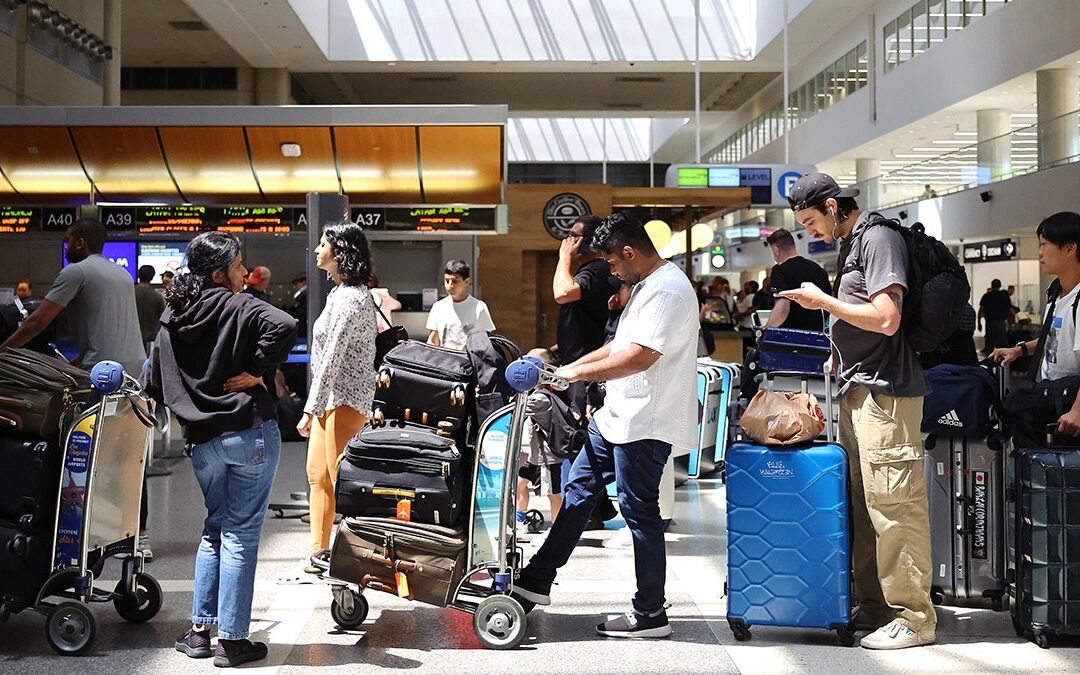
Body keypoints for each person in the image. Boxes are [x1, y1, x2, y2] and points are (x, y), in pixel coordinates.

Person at [512, 212, 698, 639]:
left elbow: (641, 357)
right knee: (577, 493)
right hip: (617, 414)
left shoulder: (668, 290)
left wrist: (578, 377)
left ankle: (651, 613)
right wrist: (569, 368)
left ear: (630, 252)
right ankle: (536, 581)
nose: (611, 271)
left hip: (645, 421)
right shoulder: (647, 284)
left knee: (639, 512)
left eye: (613, 263)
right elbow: (619, 344)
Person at [778, 172, 935, 650]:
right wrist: (839, 351)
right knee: (865, 505)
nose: (810, 232)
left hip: (886, 393)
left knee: (893, 505)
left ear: (831, 205)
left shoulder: (879, 238)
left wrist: (822, 301)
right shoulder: (852, 242)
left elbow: (887, 318)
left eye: (811, 220)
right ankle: (876, 608)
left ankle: (915, 617)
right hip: (859, 386)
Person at [141, 231, 296, 667]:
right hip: (248, 433)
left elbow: (154, 376)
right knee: (242, 534)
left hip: (203, 442)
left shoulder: (174, 313)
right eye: (238, 265)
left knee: (214, 527)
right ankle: (231, 640)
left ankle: (199, 632)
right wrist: (255, 370)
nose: (245, 272)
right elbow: (284, 326)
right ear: (218, 272)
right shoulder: (239, 305)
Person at [296, 221, 378, 573]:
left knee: (341, 478)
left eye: (323, 244)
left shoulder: (350, 298)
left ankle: (357, 551)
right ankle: (319, 549)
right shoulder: (339, 293)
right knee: (318, 475)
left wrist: (308, 408)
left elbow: (331, 357)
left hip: (347, 398)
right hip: (333, 398)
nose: (316, 249)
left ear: (340, 252)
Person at [0, 218, 145, 374]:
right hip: (136, 369)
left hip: (102, 372)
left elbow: (38, 322)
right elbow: (107, 338)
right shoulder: (123, 274)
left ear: (79, 243)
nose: (66, 247)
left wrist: (3, 351)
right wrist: (71, 365)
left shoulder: (76, 271)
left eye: (68, 240)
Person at [993, 212, 1080, 450]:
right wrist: (1020, 350)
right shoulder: (1056, 293)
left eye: (1044, 244)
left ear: (1070, 248)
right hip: (1053, 397)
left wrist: (1077, 411)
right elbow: (1055, 336)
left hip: (1070, 406)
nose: (1040, 252)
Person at [553, 214, 619, 420]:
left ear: (590, 241)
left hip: (585, 370)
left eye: (573, 236)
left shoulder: (597, 269)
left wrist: (564, 258)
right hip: (579, 364)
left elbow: (563, 293)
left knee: (578, 431)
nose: (567, 241)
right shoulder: (593, 269)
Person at [516, 348, 565, 534]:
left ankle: (557, 532)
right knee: (520, 484)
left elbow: (516, 412)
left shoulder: (540, 398)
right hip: (534, 456)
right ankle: (522, 518)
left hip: (547, 458)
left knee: (553, 494)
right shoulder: (532, 394)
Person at [764, 228, 831, 331]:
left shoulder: (780, 271)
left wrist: (765, 330)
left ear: (777, 250)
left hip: (790, 338)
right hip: (819, 337)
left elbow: (782, 309)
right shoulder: (818, 270)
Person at [425, 260, 495, 350]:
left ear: (466, 282)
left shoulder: (479, 307)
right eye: (447, 281)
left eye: (455, 281)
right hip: (444, 361)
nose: (450, 285)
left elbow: (487, 342)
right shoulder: (438, 307)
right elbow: (433, 340)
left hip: (469, 361)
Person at [134, 264, 167, 353]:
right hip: (151, 339)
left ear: (138, 275)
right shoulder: (157, 297)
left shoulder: (130, 293)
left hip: (132, 338)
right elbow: (164, 318)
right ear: (152, 277)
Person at [978, 278, 1012, 355]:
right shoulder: (1004, 295)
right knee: (1002, 346)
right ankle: (1001, 364)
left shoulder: (986, 296)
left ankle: (989, 364)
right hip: (1001, 323)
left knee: (989, 345)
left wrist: (979, 323)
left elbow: (981, 310)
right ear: (1000, 286)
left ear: (992, 286)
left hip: (990, 323)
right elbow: (1009, 310)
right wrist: (1010, 323)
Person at [288, 274, 308, 339]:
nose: (294, 288)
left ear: (304, 283)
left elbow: (300, 315)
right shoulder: (303, 298)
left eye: (296, 284)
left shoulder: (306, 298)